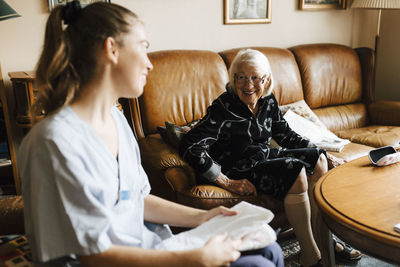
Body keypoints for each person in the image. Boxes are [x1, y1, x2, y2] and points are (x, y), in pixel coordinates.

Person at [18, 2, 284, 267]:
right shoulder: (55, 143)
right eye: (143, 47)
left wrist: (205, 217)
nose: (149, 64)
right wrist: (193, 259)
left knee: (269, 249)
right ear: (111, 49)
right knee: (258, 265)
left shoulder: (115, 119)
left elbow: (137, 199)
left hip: (147, 247)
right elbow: (94, 256)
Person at [180, 49, 362, 267]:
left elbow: (286, 135)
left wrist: (326, 154)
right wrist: (226, 181)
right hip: (239, 167)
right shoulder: (222, 108)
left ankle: (323, 238)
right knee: (295, 170)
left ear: (266, 79)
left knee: (319, 159)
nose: (248, 85)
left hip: (264, 158)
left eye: (255, 77)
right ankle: (311, 255)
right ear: (233, 78)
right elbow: (189, 145)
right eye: (242, 77)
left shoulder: (268, 101)